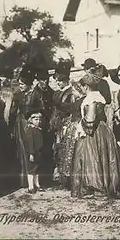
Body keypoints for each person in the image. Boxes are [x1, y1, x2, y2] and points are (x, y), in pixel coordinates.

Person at [71, 74, 120, 199]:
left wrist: (81, 127)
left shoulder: (91, 99)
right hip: (103, 129)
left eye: (82, 86)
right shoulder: (98, 96)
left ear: (86, 86)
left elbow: (90, 120)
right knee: (102, 157)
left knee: (92, 158)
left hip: (94, 131)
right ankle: (101, 186)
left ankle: (96, 188)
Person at [51, 59, 78, 189]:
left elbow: (72, 109)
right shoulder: (58, 92)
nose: (58, 83)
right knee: (58, 150)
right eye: (57, 81)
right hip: (58, 125)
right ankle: (60, 178)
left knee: (67, 150)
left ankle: (67, 179)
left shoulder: (71, 93)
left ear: (66, 80)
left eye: (60, 81)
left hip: (67, 123)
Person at [27, 66, 55, 187]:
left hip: (48, 126)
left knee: (48, 151)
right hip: (38, 126)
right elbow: (29, 110)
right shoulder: (34, 94)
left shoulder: (51, 92)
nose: (45, 82)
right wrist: (36, 120)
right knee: (38, 152)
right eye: (42, 80)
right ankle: (38, 181)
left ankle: (46, 178)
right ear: (38, 80)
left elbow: (54, 107)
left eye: (47, 80)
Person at [8, 65, 35, 189]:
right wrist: (11, 126)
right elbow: (12, 113)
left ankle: (33, 179)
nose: (21, 85)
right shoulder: (17, 95)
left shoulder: (35, 94)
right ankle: (23, 180)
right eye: (20, 83)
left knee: (32, 148)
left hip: (31, 123)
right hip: (21, 124)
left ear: (29, 83)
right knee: (22, 149)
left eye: (23, 83)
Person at [24, 109, 45, 194]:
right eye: (36, 119)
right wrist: (31, 153)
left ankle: (37, 185)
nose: (38, 121)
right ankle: (30, 187)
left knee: (37, 169)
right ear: (30, 120)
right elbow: (30, 142)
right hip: (32, 153)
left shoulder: (38, 129)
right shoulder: (30, 130)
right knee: (31, 169)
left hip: (38, 152)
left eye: (40, 119)